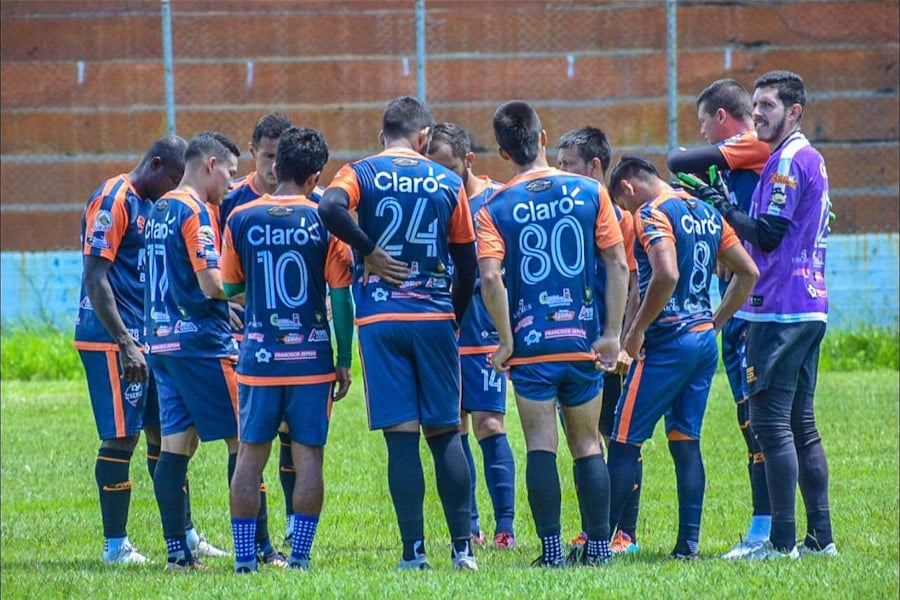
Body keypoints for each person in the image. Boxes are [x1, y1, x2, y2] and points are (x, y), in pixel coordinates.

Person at [678, 70, 836, 560]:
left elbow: (767, 233)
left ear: (794, 112)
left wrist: (719, 204)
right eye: (757, 104)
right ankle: (819, 539)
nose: (760, 114)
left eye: (769, 106)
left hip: (780, 308)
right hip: (809, 304)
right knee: (801, 424)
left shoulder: (788, 160)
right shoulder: (805, 156)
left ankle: (781, 541)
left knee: (772, 425)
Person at [318, 96, 479, 571]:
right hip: (434, 318)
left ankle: (413, 553)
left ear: (381, 133)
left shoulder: (361, 172)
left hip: (381, 321)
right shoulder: (448, 181)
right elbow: (467, 264)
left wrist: (366, 248)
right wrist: (454, 315)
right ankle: (463, 550)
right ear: (424, 136)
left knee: (401, 439)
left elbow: (329, 206)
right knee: (446, 434)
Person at [477, 101, 629, 568]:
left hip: (533, 346)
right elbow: (618, 263)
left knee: (541, 445)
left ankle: (551, 551)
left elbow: (490, 278)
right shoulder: (589, 191)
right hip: (582, 340)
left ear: (503, 154)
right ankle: (600, 548)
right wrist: (611, 335)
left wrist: (505, 341)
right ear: (544, 138)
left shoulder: (494, 205)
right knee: (587, 444)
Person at [605, 155, 758, 560]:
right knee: (686, 441)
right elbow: (747, 271)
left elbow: (666, 274)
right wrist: (715, 322)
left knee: (623, 440)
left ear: (628, 188)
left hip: (667, 341)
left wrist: (635, 332)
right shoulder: (706, 211)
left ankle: (599, 543)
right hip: (702, 339)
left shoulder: (652, 212)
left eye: (624, 207)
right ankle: (687, 546)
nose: (627, 215)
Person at [221, 126, 354, 572]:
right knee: (307, 455)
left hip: (258, 356)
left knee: (249, 455)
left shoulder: (240, 217)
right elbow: (340, 297)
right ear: (315, 176)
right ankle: (299, 557)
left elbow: (230, 284)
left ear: (275, 167)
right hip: (311, 360)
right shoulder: (325, 219)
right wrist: (343, 360)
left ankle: (244, 559)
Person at [143, 131, 266, 571]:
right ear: (210, 164)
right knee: (246, 441)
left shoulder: (159, 208)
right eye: (230, 172)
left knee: (177, 445)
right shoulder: (196, 211)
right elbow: (212, 282)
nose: (233, 183)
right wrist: (251, 294)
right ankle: (262, 549)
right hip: (200, 345)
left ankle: (177, 552)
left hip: (161, 341)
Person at [667, 78, 773, 559]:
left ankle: (768, 528)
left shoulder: (750, 144)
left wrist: (695, 165)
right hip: (738, 300)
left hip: (758, 302)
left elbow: (678, 161)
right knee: (751, 419)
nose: (703, 134)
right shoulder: (734, 160)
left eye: (705, 123)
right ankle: (770, 525)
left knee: (762, 422)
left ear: (723, 119)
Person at [75, 135, 187, 564]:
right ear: (155, 165)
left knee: (169, 432)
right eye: (172, 179)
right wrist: (124, 343)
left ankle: (184, 534)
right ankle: (115, 544)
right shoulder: (113, 199)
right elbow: (95, 276)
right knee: (122, 436)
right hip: (110, 338)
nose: (174, 188)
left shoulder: (153, 206)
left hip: (148, 337)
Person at [426, 122, 517, 550]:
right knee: (453, 426)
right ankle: (472, 525)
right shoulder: (429, 200)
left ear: (468, 161)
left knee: (489, 422)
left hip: (484, 327)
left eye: (447, 168)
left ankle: (505, 527)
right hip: (442, 327)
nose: (440, 177)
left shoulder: (497, 199)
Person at [555, 125, 642, 555]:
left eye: (567, 165)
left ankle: (624, 530)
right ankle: (595, 530)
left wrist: (625, 341)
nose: (560, 173)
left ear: (594, 166)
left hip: (609, 344)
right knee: (581, 437)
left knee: (616, 435)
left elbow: (631, 278)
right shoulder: (568, 215)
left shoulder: (620, 218)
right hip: (572, 343)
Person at [216, 112, 297, 560]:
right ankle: (257, 542)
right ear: (252, 154)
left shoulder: (312, 198)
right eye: (266, 157)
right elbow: (212, 263)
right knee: (253, 438)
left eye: (279, 158)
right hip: (245, 340)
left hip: (300, 340)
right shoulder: (231, 201)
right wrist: (225, 302)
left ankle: (289, 525)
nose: (273, 167)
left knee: (295, 433)